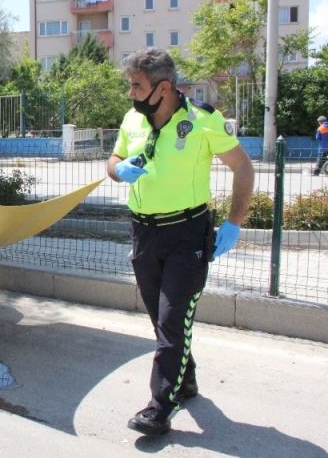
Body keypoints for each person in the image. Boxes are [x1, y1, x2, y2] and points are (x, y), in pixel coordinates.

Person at [107, 48, 254, 437]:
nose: (130, 93)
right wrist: (119, 171)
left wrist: (234, 222)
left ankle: (159, 406)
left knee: (173, 322)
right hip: (144, 234)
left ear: (164, 88)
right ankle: (185, 381)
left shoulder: (203, 121)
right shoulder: (132, 119)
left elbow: (243, 167)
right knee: (161, 318)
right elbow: (114, 158)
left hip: (187, 235)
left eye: (136, 85)